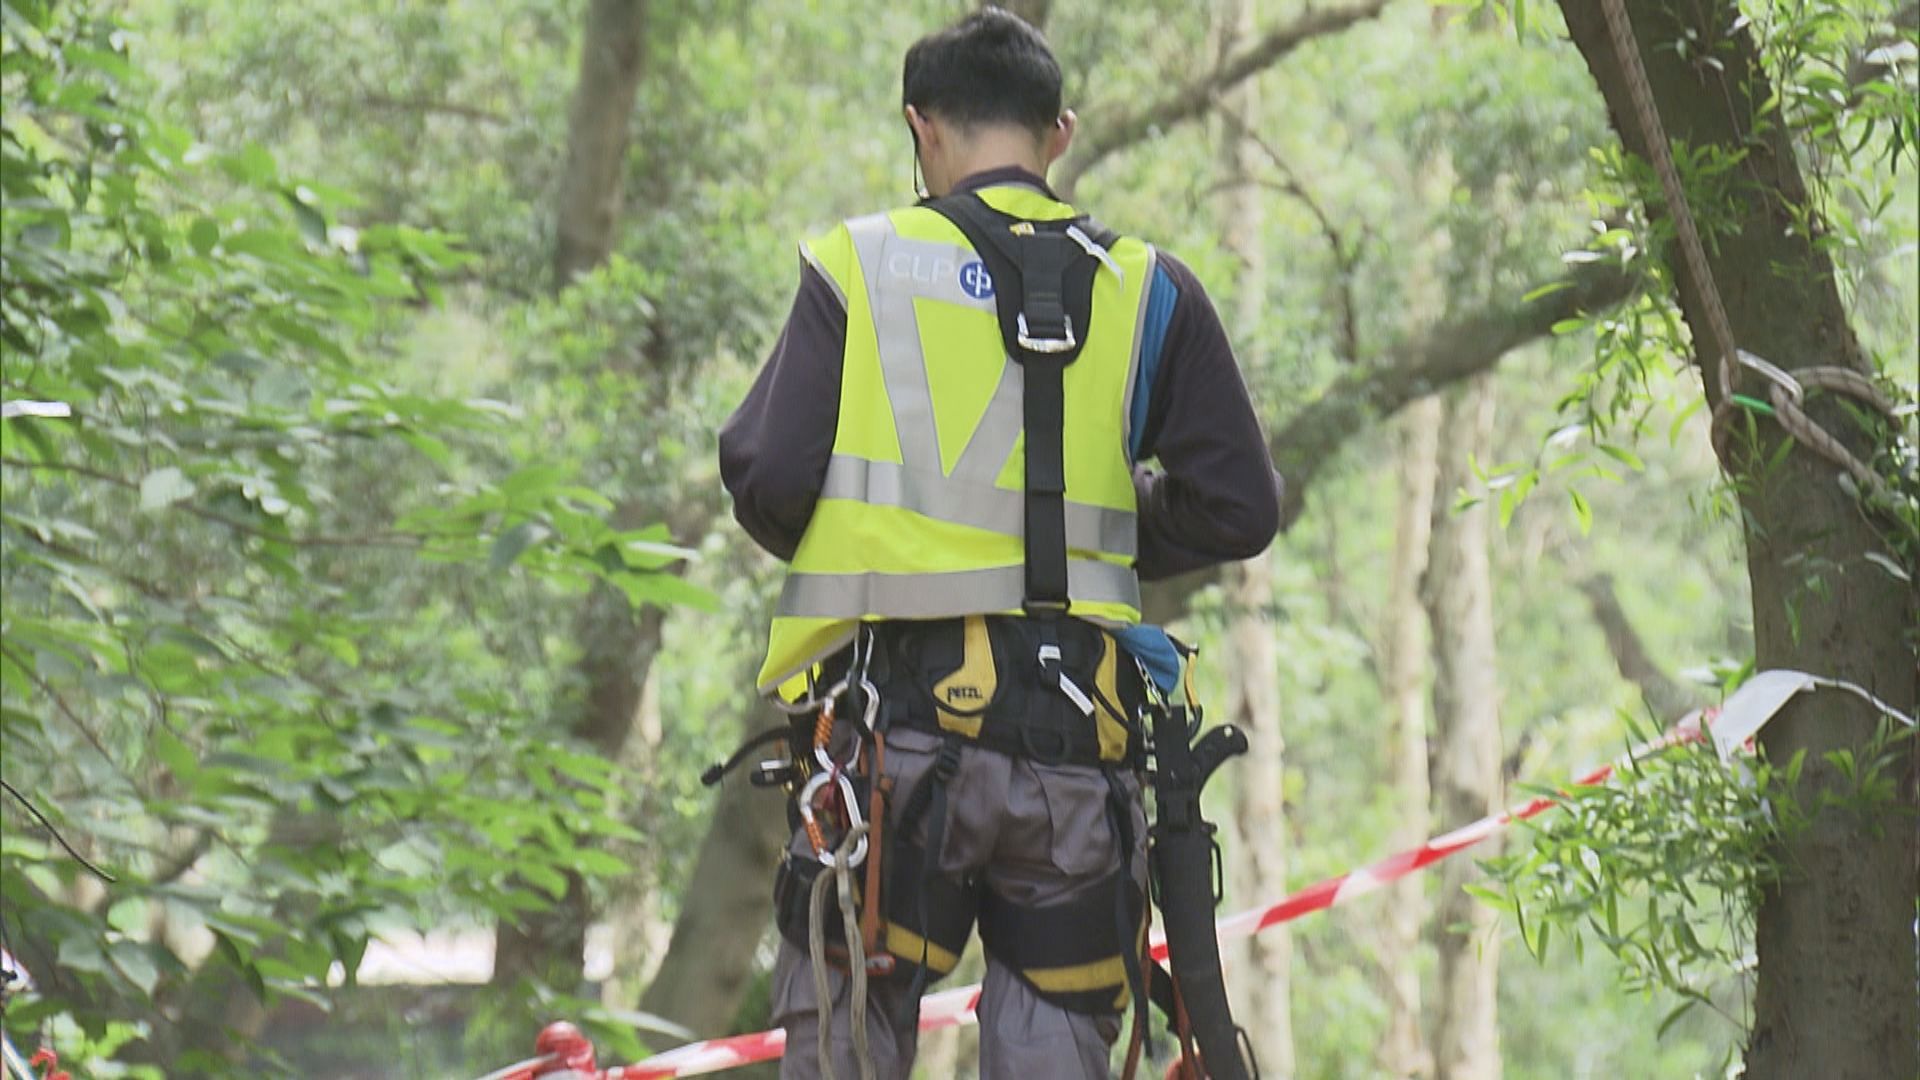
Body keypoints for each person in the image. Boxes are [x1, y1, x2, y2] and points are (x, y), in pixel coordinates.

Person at [719, 10, 1281, 1079]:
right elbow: (1237, 506)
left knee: (846, 1031)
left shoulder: (861, 264)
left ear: (921, 128)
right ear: (1058, 133)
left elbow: (768, 475)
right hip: (1077, 764)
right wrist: (1076, 550)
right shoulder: (1147, 288)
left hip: (893, 751)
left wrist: (879, 549)